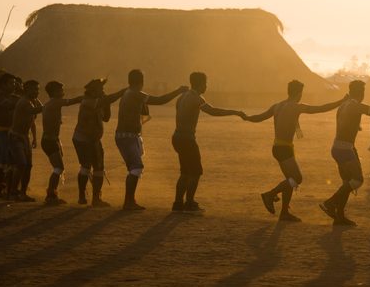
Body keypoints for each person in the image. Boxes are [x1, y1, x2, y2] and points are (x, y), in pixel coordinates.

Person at [244, 80, 346, 222]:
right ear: (299, 93)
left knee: (290, 180)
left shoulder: (277, 106)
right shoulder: (296, 107)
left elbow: (259, 117)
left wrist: (246, 117)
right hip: (284, 148)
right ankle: (270, 194)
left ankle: (284, 212)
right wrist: (341, 101)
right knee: (297, 178)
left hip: (278, 146)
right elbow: (321, 108)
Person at [319, 80, 370, 226]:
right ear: (360, 93)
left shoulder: (344, 105)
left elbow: (345, 123)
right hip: (345, 149)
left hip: (339, 147)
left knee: (347, 183)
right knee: (357, 180)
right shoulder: (355, 105)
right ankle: (330, 203)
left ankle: (339, 217)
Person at [172, 71, 247, 213]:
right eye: (205, 83)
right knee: (195, 172)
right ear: (201, 84)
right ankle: (189, 204)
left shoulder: (181, 97)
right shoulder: (196, 98)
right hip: (187, 139)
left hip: (177, 137)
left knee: (185, 172)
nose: (206, 86)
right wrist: (235, 112)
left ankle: (177, 203)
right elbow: (213, 111)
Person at [115, 69, 188, 211]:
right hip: (127, 136)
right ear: (141, 82)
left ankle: (130, 200)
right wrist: (178, 91)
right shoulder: (135, 93)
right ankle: (128, 202)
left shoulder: (128, 93)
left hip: (129, 136)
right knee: (136, 168)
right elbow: (160, 101)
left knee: (134, 168)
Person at [72, 78, 127, 207]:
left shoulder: (97, 102)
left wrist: (106, 103)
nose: (103, 91)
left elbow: (106, 118)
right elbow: (106, 101)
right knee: (89, 167)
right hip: (85, 139)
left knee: (95, 168)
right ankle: (90, 197)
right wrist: (121, 92)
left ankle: (90, 197)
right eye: (100, 89)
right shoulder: (87, 102)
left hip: (92, 140)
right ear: (92, 90)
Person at [40, 80, 83, 204]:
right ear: (54, 92)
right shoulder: (55, 102)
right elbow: (71, 101)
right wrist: (86, 96)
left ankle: (53, 194)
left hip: (51, 140)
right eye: (61, 90)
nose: (63, 92)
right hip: (49, 141)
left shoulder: (51, 103)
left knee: (58, 167)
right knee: (58, 168)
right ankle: (51, 195)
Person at [8, 80, 44, 201]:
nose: (37, 92)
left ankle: (22, 193)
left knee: (28, 166)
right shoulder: (24, 102)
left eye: (38, 89)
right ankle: (13, 192)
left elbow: (34, 116)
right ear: (26, 90)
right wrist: (52, 104)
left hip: (24, 137)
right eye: (34, 89)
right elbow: (35, 110)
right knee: (22, 164)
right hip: (16, 137)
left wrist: (34, 137)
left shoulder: (30, 100)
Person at [0, 73, 19, 198]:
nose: (14, 86)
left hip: (11, 132)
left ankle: (9, 187)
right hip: (2, 132)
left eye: (15, 83)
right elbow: (9, 105)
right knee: (3, 161)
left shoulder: (13, 97)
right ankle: (0, 187)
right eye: (11, 83)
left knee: (12, 161)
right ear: (3, 85)